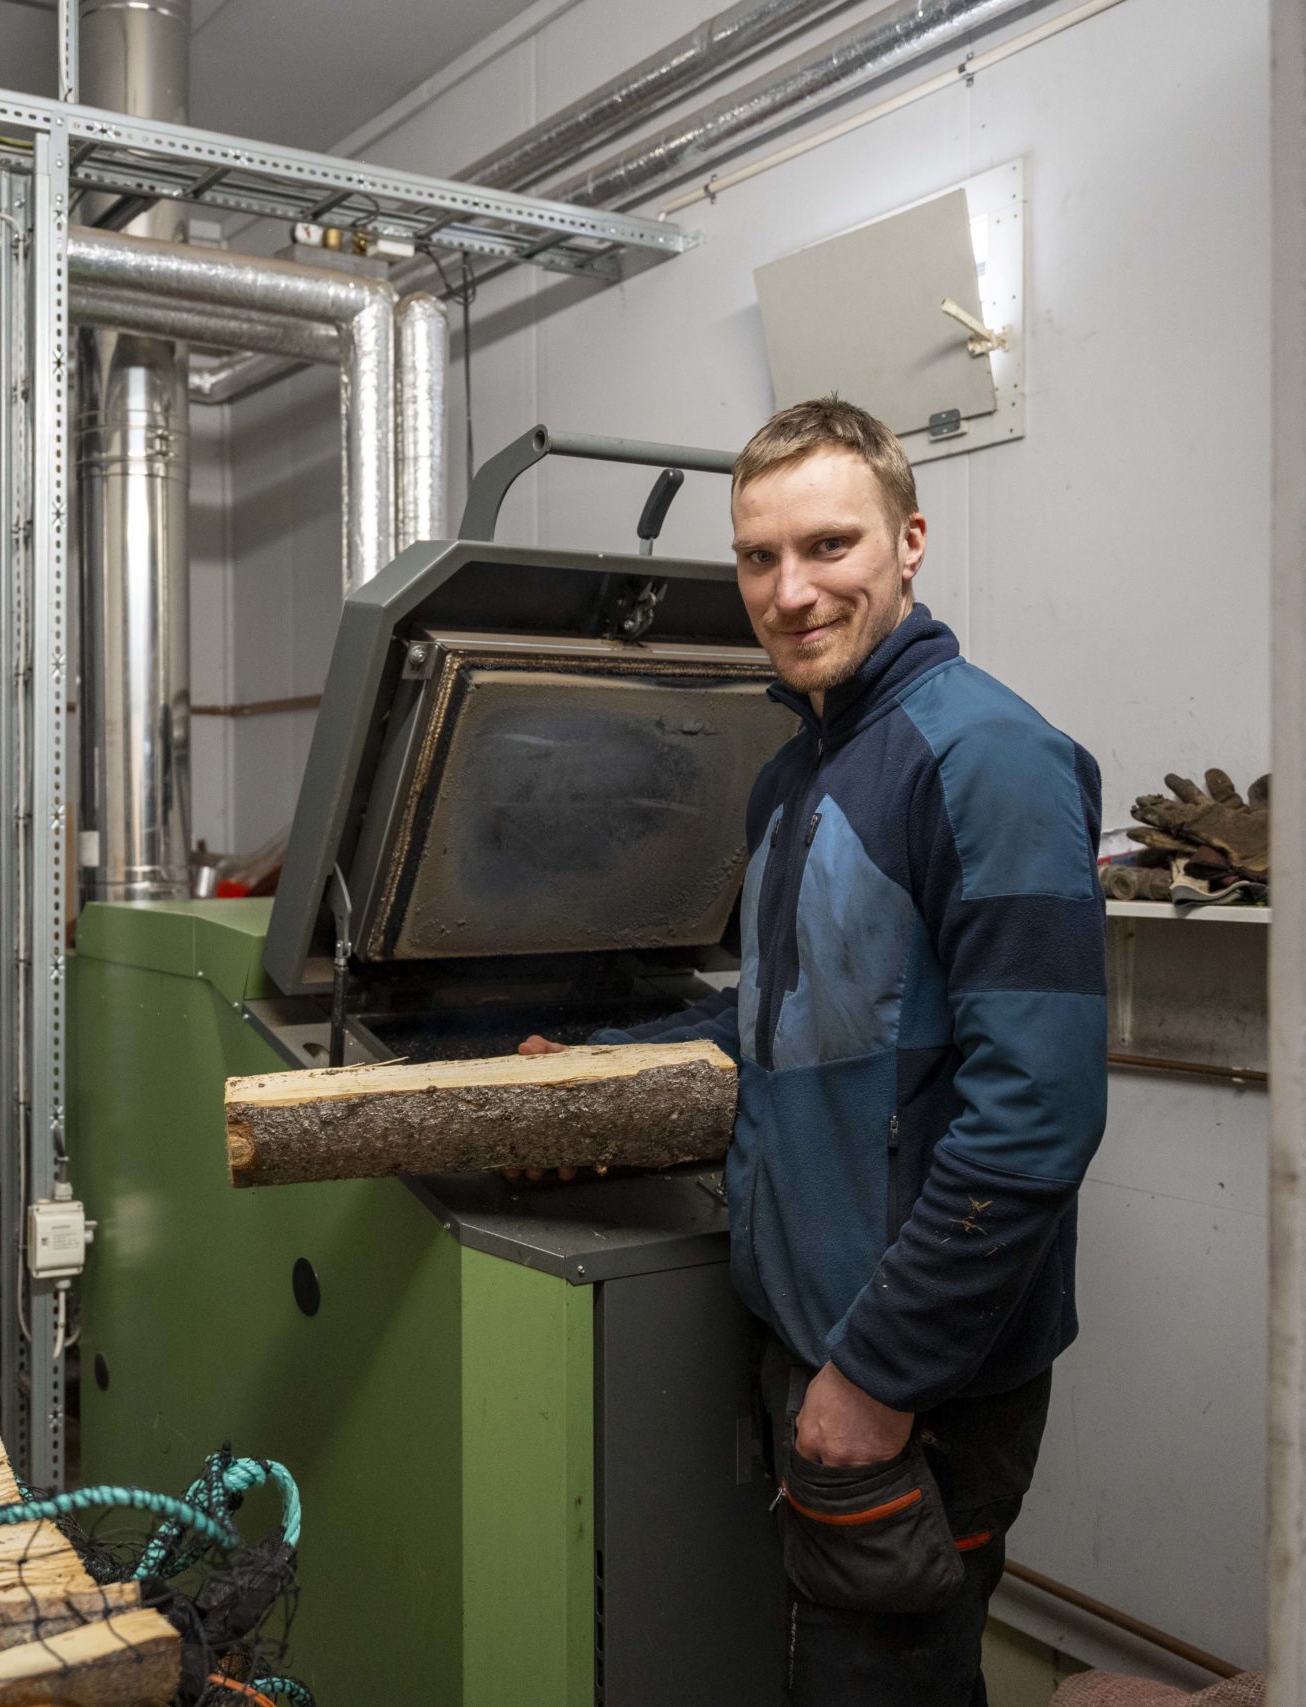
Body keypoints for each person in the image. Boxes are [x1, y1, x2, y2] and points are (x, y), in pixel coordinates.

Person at [521, 397, 1106, 1706]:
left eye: (829, 547)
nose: (791, 591)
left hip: (919, 1375)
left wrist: (876, 1379)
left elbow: (1039, 1114)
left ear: (908, 542)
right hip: (817, 1338)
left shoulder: (986, 760)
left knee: (883, 1680)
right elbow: (779, 1022)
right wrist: (605, 1062)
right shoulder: (798, 777)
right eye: (758, 558)